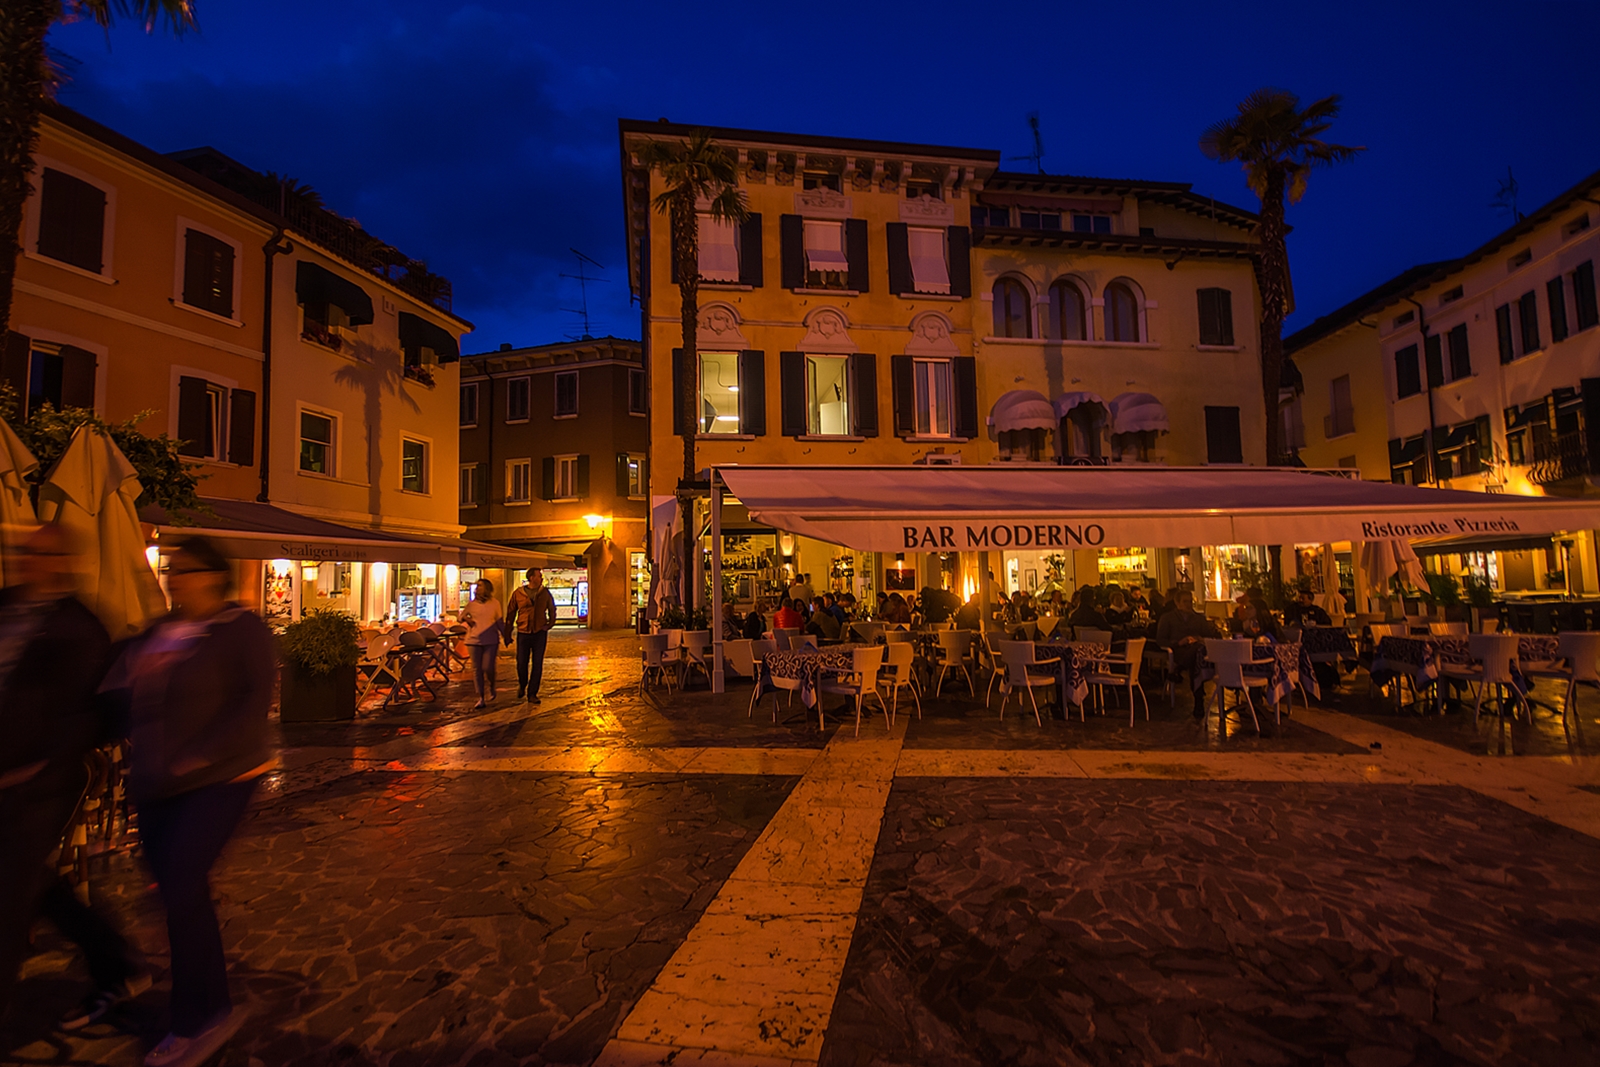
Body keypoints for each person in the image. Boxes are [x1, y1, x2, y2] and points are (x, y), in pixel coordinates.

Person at [115, 536, 277, 1066]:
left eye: (183, 570)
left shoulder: (242, 628)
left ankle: (196, 1020)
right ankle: (211, 1004)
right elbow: (123, 695)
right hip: (155, 782)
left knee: (182, 882)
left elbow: (254, 701)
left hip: (222, 779)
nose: (173, 578)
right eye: (171, 570)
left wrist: (202, 755)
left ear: (213, 575)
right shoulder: (158, 631)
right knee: (179, 895)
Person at [0, 525, 142, 1029]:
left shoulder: (80, 628)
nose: (29, 562)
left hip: (39, 784)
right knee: (33, 884)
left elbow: (86, 714)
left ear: (64, 561)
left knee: (9, 895)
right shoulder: (7, 605)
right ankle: (114, 959)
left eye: (43, 554)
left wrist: (36, 765)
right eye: (25, 552)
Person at [1156, 588, 1219, 718]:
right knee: (1196, 658)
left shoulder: (1199, 618)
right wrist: (1178, 642)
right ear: (1177, 603)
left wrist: (1199, 639)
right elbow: (1160, 639)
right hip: (1179, 650)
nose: (1188, 605)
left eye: (1190, 601)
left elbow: (1208, 636)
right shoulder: (1167, 618)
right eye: (1185, 602)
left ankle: (1178, 670)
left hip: (1197, 651)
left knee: (1197, 653)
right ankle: (1198, 700)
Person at [506, 568, 557, 704]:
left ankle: (532, 693)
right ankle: (522, 684)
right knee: (521, 662)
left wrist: (549, 624)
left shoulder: (544, 593)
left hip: (539, 631)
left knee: (537, 663)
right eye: (539, 576)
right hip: (523, 631)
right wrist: (507, 632)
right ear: (532, 578)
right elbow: (511, 612)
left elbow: (552, 609)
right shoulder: (519, 593)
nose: (541, 578)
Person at [460, 577, 508, 708]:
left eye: (480, 585)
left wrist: (505, 635)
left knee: (488, 667)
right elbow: (461, 617)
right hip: (473, 640)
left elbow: (499, 621)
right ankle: (481, 696)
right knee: (477, 669)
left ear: (487, 588)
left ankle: (492, 686)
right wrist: (467, 619)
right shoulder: (471, 604)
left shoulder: (494, 603)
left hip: (490, 640)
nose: (477, 588)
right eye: (477, 586)